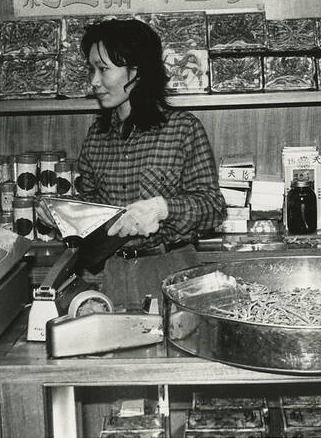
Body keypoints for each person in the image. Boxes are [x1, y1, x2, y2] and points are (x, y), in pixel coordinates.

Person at [75, 18, 226, 311]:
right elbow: (91, 209)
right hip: (112, 275)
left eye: (103, 69)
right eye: (91, 69)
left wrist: (161, 209)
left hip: (172, 271)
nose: (94, 81)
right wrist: (63, 213)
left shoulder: (182, 128)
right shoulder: (97, 135)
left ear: (137, 71)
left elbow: (213, 207)